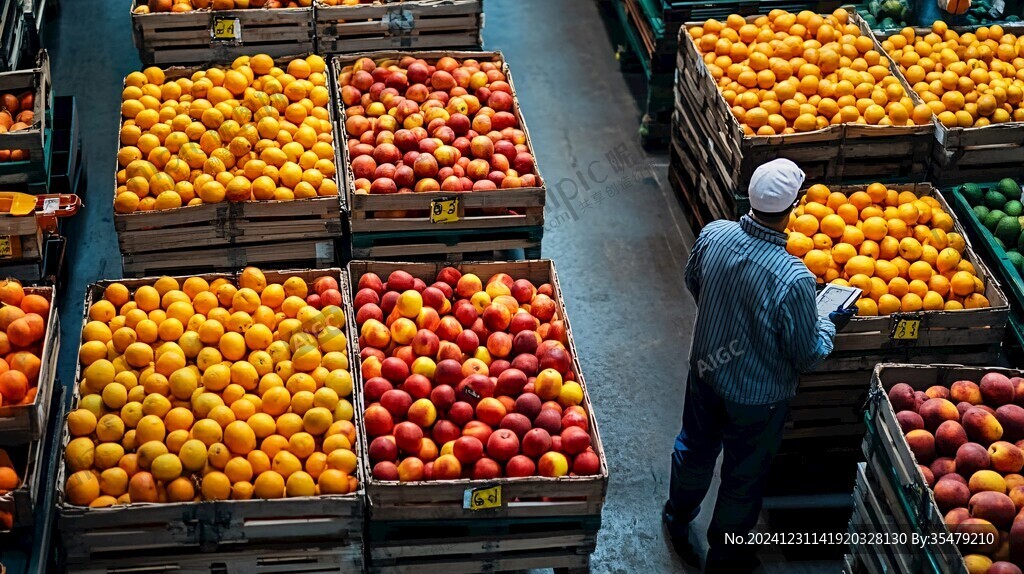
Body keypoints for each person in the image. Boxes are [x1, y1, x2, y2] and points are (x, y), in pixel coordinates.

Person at [662, 158, 855, 573]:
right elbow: (806, 354)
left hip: (706, 371)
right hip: (758, 397)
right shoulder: (794, 277)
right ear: (793, 207)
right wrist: (828, 322)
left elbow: (694, 281)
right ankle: (724, 557)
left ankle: (677, 518)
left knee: (694, 447)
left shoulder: (714, 234)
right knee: (741, 479)